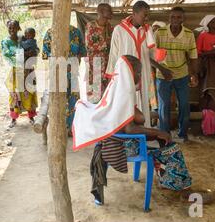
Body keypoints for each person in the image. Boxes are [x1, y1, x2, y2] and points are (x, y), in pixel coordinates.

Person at [73, 56, 192, 204]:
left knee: (161, 138)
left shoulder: (116, 87)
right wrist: (157, 132)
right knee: (173, 148)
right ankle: (177, 184)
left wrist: (145, 123)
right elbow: (130, 129)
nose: (140, 76)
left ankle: (167, 179)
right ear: (130, 72)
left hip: (112, 139)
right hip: (125, 145)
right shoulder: (126, 93)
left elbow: (136, 118)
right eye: (138, 72)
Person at [106, 0, 172, 128]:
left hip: (143, 73)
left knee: (142, 101)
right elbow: (113, 55)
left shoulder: (147, 30)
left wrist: (161, 57)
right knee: (126, 102)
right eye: (144, 15)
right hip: (125, 74)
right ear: (134, 14)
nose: (147, 18)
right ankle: (128, 134)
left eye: (148, 16)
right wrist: (111, 77)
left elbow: (151, 52)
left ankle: (143, 133)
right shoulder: (119, 30)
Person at [155, 7, 199, 142]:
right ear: (169, 18)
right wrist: (161, 70)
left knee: (184, 105)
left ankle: (182, 134)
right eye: (173, 17)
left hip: (182, 74)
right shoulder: (160, 33)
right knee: (164, 106)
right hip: (163, 74)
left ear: (183, 19)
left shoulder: (188, 34)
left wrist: (193, 74)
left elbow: (193, 56)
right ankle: (165, 135)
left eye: (179, 17)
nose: (175, 20)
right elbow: (153, 55)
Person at [42, 25, 87, 136]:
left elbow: (82, 51)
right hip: (57, 72)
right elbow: (45, 54)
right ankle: (58, 129)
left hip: (72, 72)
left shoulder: (76, 32)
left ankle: (72, 128)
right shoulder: (50, 32)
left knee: (73, 101)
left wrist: (74, 63)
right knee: (57, 101)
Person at [1, 20, 38, 128]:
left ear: (18, 28)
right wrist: (24, 53)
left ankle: (31, 116)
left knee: (29, 91)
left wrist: (34, 52)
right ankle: (13, 118)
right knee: (14, 94)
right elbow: (7, 54)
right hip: (15, 69)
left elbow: (35, 46)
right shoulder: (5, 42)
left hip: (28, 68)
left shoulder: (22, 38)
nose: (12, 30)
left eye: (14, 28)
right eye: (10, 28)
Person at [84, 3, 114, 103]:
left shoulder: (110, 27)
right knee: (95, 96)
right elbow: (90, 46)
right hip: (95, 65)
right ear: (100, 12)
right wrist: (107, 45)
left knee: (107, 96)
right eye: (108, 10)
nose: (111, 12)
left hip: (107, 65)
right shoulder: (91, 26)